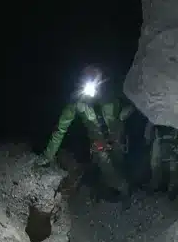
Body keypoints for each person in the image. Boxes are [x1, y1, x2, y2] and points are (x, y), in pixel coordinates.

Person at [37, 66, 133, 196]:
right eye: (87, 79)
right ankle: (125, 193)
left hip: (118, 139)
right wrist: (48, 156)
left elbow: (132, 104)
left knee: (120, 164)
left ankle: (113, 187)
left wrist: (123, 116)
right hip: (99, 144)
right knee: (106, 165)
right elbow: (60, 129)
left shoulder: (112, 92)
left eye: (95, 78)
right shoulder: (77, 101)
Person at [145, 121, 178, 199]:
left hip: (175, 140)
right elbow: (149, 129)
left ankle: (172, 190)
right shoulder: (156, 115)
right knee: (156, 165)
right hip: (160, 140)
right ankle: (156, 185)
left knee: (174, 168)